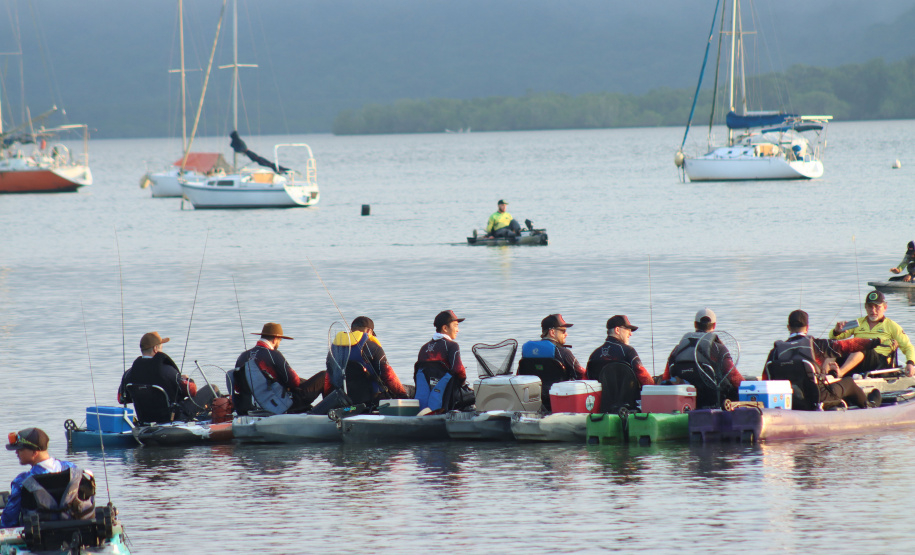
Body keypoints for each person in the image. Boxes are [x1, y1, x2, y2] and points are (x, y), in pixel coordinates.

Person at [763, 310, 880, 409]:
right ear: (807, 328)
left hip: (788, 400)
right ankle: (869, 406)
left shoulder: (776, 350)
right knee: (848, 382)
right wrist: (875, 341)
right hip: (817, 397)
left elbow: (765, 377)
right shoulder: (816, 345)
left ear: (788, 327)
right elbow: (847, 345)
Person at [234, 323, 326, 414]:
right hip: (279, 404)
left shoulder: (242, 356)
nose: (279, 343)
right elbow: (294, 381)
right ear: (275, 339)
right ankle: (330, 414)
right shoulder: (273, 354)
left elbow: (237, 387)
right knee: (324, 376)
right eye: (280, 340)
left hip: (251, 404)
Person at [660, 308, 744, 408]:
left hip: (684, 401)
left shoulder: (678, 349)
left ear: (695, 324)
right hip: (711, 401)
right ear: (714, 325)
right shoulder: (718, 348)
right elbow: (734, 377)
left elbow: (666, 376)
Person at [1, 428, 83, 528]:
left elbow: (9, 521)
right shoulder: (73, 470)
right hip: (73, 529)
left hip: (37, 536)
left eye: (20, 449)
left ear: (35, 452)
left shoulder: (22, 481)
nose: (16, 452)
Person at [324, 316, 408, 405]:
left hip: (343, 399)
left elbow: (328, 378)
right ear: (369, 331)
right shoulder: (373, 347)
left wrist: (328, 400)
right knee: (410, 390)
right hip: (372, 399)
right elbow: (389, 376)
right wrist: (403, 396)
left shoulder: (333, 349)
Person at [830, 290, 915, 377]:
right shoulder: (857, 323)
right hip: (857, 361)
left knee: (862, 346)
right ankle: (823, 375)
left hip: (879, 362)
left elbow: (908, 347)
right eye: (870, 307)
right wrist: (836, 331)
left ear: (885, 307)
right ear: (865, 307)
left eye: (877, 307)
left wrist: (910, 363)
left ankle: (840, 373)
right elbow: (835, 338)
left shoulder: (892, 326)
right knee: (832, 349)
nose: (873, 311)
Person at [117, 331, 198, 423]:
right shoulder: (168, 371)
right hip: (172, 418)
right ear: (156, 348)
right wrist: (186, 379)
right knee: (212, 388)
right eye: (161, 347)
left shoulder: (129, 374)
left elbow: (121, 399)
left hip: (144, 419)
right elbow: (192, 391)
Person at [586, 315, 656, 412]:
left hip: (603, 408)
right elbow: (643, 376)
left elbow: (588, 381)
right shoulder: (628, 351)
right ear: (617, 330)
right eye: (628, 329)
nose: (630, 334)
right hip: (629, 407)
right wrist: (655, 389)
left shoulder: (594, 355)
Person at [415, 310, 473, 412]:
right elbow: (459, 370)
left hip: (428, 398)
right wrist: (463, 384)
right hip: (448, 398)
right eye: (455, 325)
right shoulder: (452, 345)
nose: (458, 330)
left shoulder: (423, 348)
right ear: (445, 328)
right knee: (478, 394)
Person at [519, 314, 587, 379]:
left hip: (533, 390)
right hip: (558, 390)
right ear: (552, 332)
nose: (566, 334)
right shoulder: (564, 353)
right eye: (563, 331)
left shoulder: (527, 351)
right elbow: (582, 374)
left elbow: (520, 374)